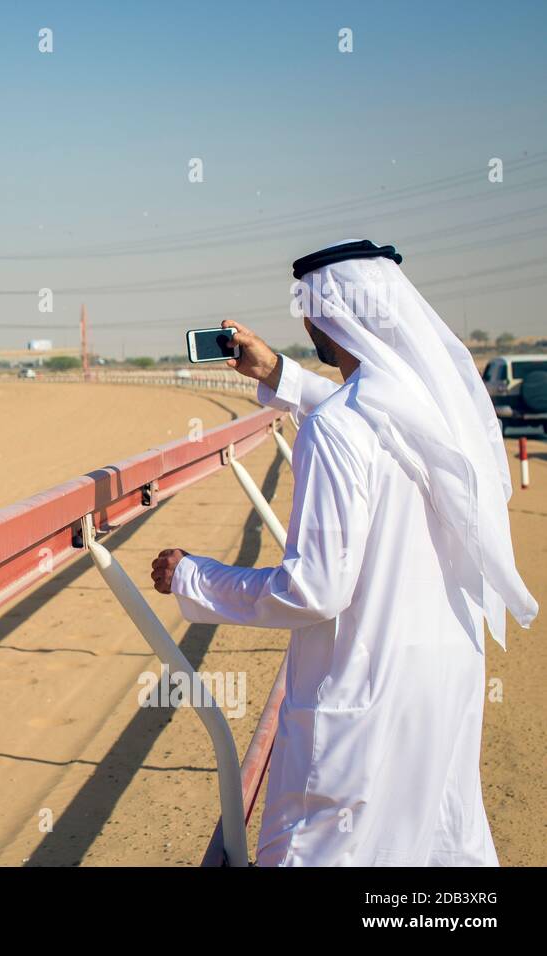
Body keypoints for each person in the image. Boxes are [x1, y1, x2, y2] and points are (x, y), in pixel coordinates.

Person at [150, 239, 537, 866]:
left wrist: (198, 576)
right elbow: (369, 417)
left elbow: (315, 589)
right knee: (436, 849)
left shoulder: (338, 428)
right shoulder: (442, 409)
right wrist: (277, 374)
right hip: (445, 675)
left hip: (365, 685)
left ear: (318, 318)